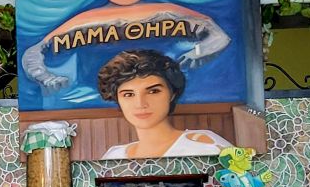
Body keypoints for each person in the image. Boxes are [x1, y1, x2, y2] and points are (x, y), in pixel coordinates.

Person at [97, 49, 232, 159]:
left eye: (153, 91)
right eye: (128, 94)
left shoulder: (204, 146)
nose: (140, 104)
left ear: (172, 94)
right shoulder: (114, 156)